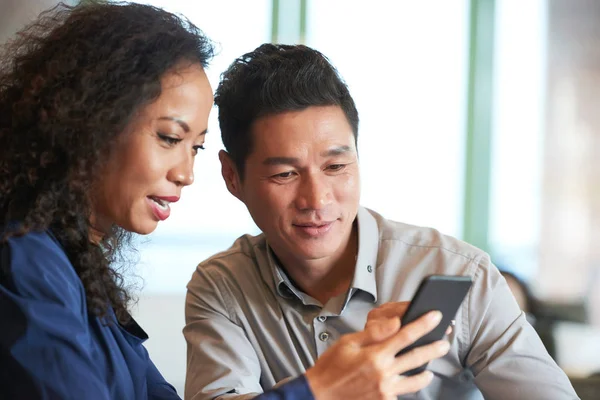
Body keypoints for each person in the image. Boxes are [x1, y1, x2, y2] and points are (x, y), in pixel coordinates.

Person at [0, 3, 449, 400]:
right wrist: (322, 389)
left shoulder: (78, 267)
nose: (185, 174)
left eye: (193, 147)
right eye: (169, 137)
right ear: (87, 122)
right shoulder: (26, 261)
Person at [184, 43, 579, 399]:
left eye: (336, 165)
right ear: (232, 176)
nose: (317, 199)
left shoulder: (462, 273)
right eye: (285, 174)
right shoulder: (222, 288)